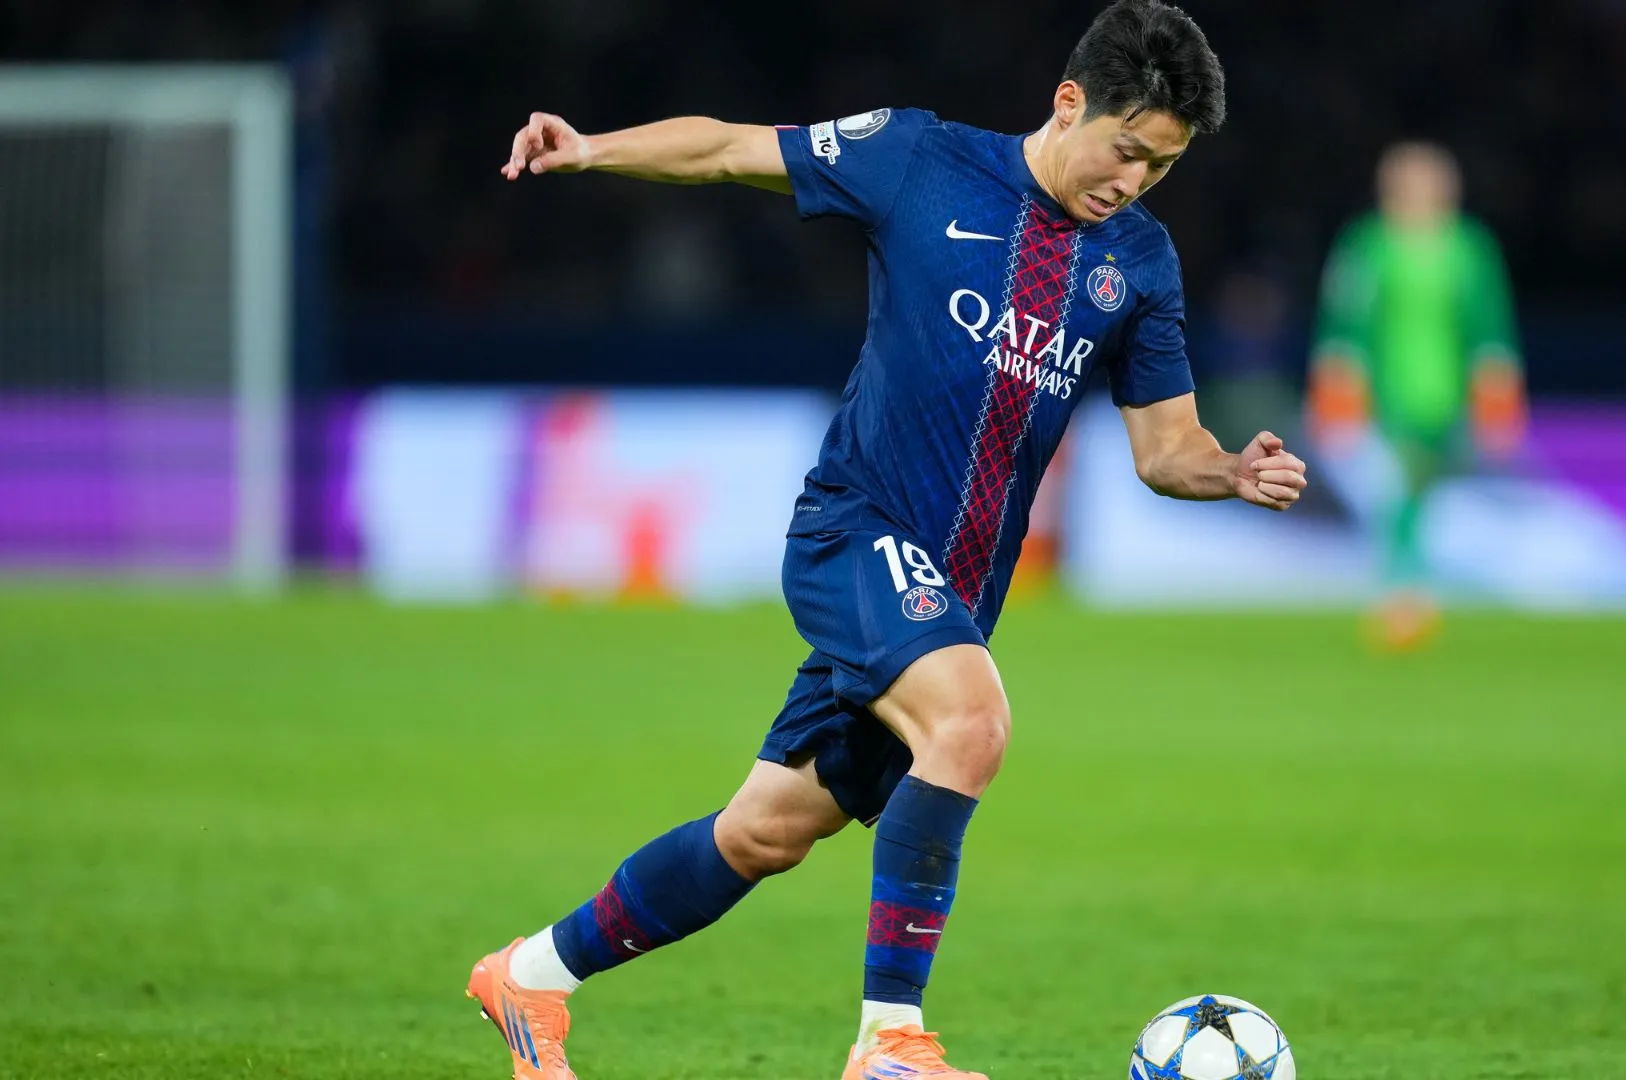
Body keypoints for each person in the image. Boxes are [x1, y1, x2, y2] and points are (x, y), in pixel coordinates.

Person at [469, 3, 1308, 1078]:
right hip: (849, 534)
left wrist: (1231, 471)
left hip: (947, 598)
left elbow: (1165, 448)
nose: (1134, 181)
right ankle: (891, 1043)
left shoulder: (1137, 263)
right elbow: (731, 151)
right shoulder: (918, 159)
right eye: (1127, 149)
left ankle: (530, 976)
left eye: (1162, 166)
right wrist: (591, 149)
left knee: (764, 832)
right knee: (972, 722)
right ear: (1070, 103)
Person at [1306, 141, 1523, 650]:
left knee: (1421, 498)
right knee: (1398, 492)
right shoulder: (1369, 244)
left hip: (1448, 398)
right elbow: (1343, 323)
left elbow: (1491, 327)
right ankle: (1403, 595)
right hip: (1388, 397)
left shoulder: (1470, 247)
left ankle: (1411, 589)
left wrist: (1498, 397)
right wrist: (1336, 390)